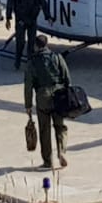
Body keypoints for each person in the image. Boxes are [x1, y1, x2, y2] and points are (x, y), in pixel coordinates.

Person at [23, 34, 70, 169]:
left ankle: (48, 161)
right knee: (60, 127)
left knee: (45, 130)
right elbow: (66, 77)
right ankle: (62, 151)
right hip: (58, 95)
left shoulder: (32, 63)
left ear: (36, 46)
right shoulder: (57, 57)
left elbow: (28, 85)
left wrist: (28, 105)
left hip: (42, 97)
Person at [6, 0, 53, 70]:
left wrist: (48, 16)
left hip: (32, 20)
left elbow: (43, 2)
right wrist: (8, 18)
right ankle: (17, 62)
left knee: (32, 43)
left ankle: (30, 63)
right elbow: (10, 3)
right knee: (20, 42)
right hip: (21, 20)